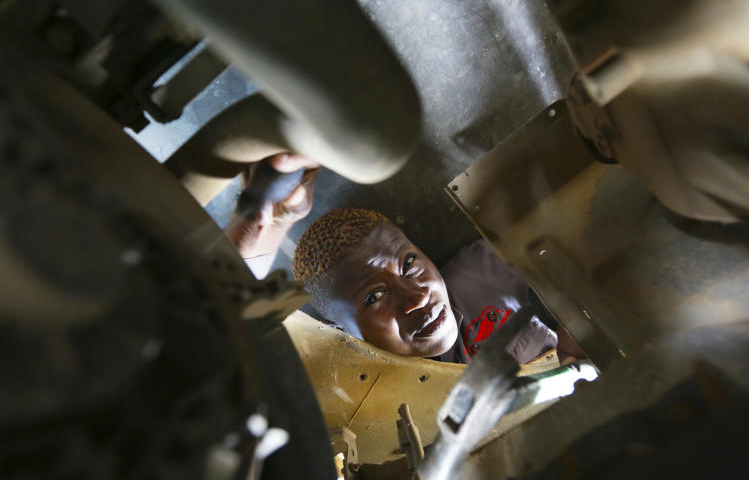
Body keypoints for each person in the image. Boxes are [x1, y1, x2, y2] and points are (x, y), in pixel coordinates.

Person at [227, 155, 574, 364]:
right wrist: (267, 223)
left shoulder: (481, 273)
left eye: (409, 263)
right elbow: (229, 322)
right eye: (374, 297)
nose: (417, 297)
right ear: (345, 334)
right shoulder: (363, 395)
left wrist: (581, 326)